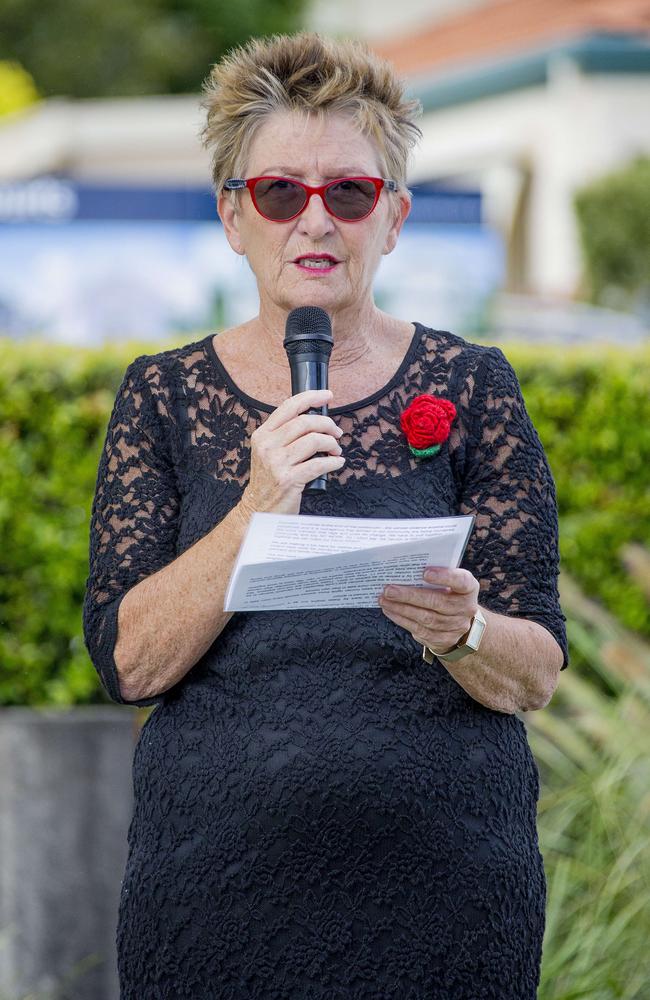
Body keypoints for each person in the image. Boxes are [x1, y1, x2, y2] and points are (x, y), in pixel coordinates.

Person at [82, 31, 569, 999]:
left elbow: (535, 673)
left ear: (391, 216)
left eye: (347, 192)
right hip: (217, 886)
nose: (315, 221)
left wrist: (464, 628)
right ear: (232, 214)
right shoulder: (165, 396)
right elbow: (131, 662)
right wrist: (257, 505)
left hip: (444, 888)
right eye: (278, 193)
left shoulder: (468, 385)